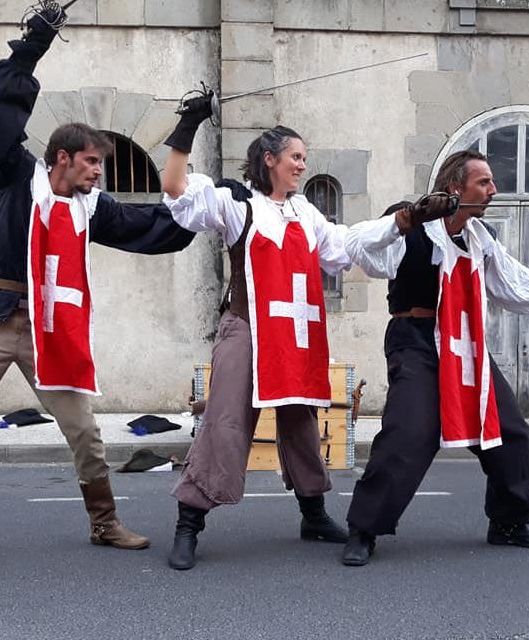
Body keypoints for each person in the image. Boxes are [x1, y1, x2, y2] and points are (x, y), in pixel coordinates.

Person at [0, 7, 196, 569]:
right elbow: (0, 110)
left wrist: (208, 198)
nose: (99, 173)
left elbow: (153, 226)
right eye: (90, 163)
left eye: (100, 166)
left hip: (45, 328)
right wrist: (32, 48)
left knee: (84, 432)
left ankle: (104, 524)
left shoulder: (91, 209)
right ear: (61, 158)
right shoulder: (15, 172)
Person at [340, 149, 529, 566]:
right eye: (484, 182)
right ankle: (364, 529)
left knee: (510, 432)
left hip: (464, 342)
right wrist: (407, 218)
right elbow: (355, 246)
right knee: (409, 432)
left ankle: (509, 522)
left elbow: (514, 280)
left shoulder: (482, 237)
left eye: (492, 182)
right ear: (455, 187)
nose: (493, 190)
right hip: (416, 340)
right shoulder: (410, 225)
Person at [159, 100, 353, 570]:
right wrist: (189, 123)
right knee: (225, 422)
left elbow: (345, 248)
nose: (303, 165)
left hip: (293, 333)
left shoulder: (306, 213)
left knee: (299, 420)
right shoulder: (236, 202)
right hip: (245, 327)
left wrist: (401, 224)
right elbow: (174, 188)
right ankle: (189, 524)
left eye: (305, 158)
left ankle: (313, 513)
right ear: (270, 159)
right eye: (296, 157)